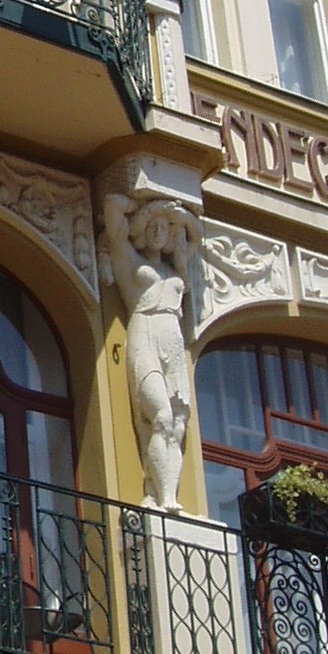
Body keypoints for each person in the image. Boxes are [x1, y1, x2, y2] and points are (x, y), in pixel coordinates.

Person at [102, 189, 200, 512]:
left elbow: (197, 236)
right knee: (161, 417)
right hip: (145, 333)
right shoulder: (130, 260)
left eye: (164, 228)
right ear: (142, 229)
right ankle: (163, 498)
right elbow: (112, 206)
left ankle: (166, 497)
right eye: (153, 227)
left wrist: (181, 216)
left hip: (173, 341)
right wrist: (145, 207)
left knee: (178, 425)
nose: (159, 232)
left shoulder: (176, 269)